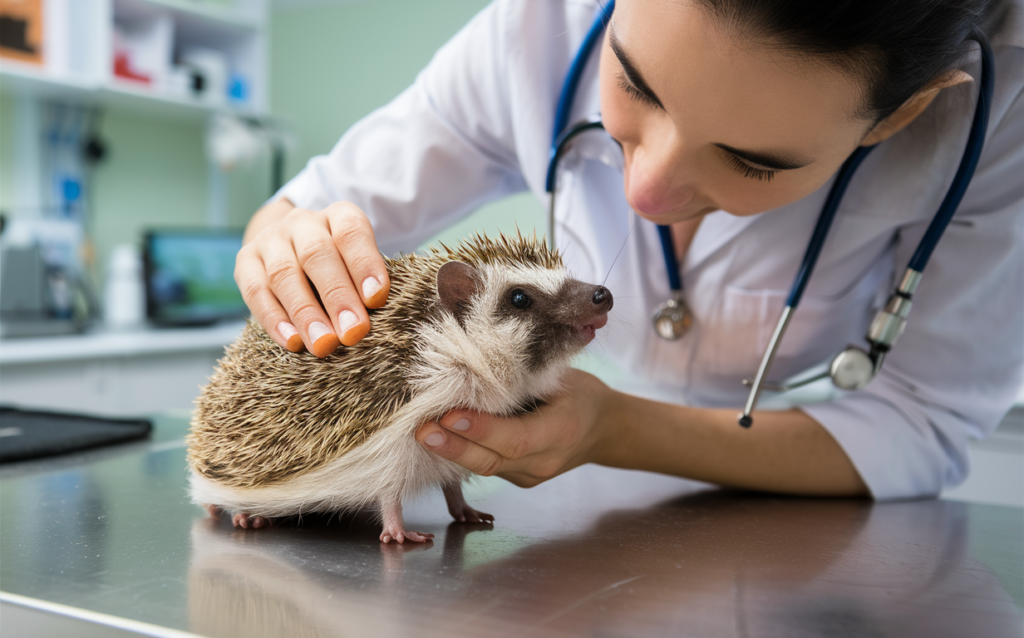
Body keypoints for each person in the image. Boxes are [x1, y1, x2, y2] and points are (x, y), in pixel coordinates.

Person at [237, 0, 1023, 500]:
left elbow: (926, 421)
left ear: (902, 114)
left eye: (756, 160)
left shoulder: (996, 121)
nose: (641, 194)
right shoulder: (536, 29)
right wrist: (287, 247)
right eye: (637, 85)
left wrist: (616, 430)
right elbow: (312, 206)